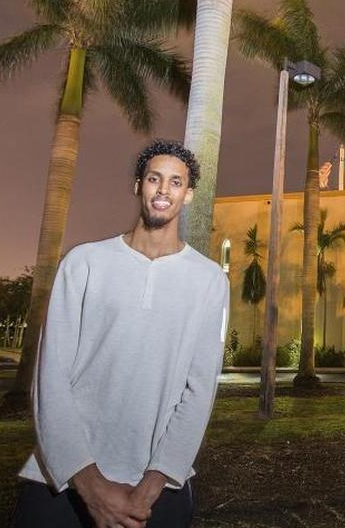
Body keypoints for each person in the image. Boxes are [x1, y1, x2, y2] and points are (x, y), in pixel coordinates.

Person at [12, 139, 229, 528]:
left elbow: (198, 391)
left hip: (157, 493)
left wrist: (153, 482)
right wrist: (90, 485)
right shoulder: (84, 263)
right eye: (154, 178)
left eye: (176, 182)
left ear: (189, 194)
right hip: (61, 483)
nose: (163, 190)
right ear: (138, 186)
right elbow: (51, 378)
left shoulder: (209, 280)